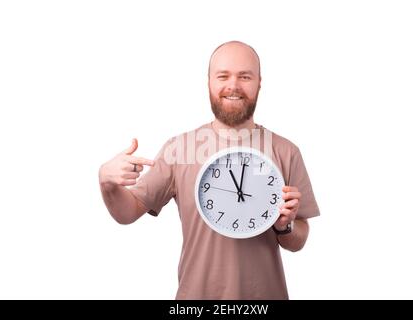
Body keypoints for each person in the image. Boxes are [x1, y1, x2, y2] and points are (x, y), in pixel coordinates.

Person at [99, 41, 320, 299]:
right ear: (209, 82)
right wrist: (107, 182)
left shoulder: (286, 151)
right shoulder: (178, 149)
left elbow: (299, 239)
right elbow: (127, 213)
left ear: (259, 82)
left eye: (245, 76)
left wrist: (285, 226)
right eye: (223, 76)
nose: (233, 86)